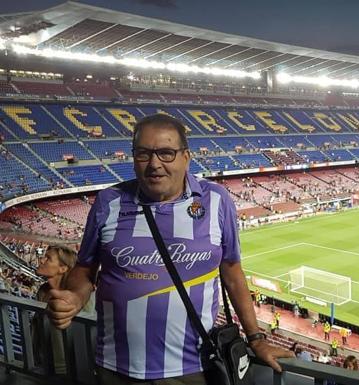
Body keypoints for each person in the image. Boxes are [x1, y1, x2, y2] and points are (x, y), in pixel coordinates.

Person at [46, 114, 294, 383]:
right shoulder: (109, 202)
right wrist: (74, 297)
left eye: (166, 153)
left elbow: (232, 272)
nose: (154, 164)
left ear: (186, 157)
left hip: (192, 368)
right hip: (115, 366)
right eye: (143, 154)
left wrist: (256, 338)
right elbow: (85, 269)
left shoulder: (216, 200)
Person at [32, 244, 78, 375]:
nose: (41, 260)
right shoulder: (43, 290)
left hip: (69, 371)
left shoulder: (74, 296)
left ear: (63, 268)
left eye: (48, 258)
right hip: (44, 365)